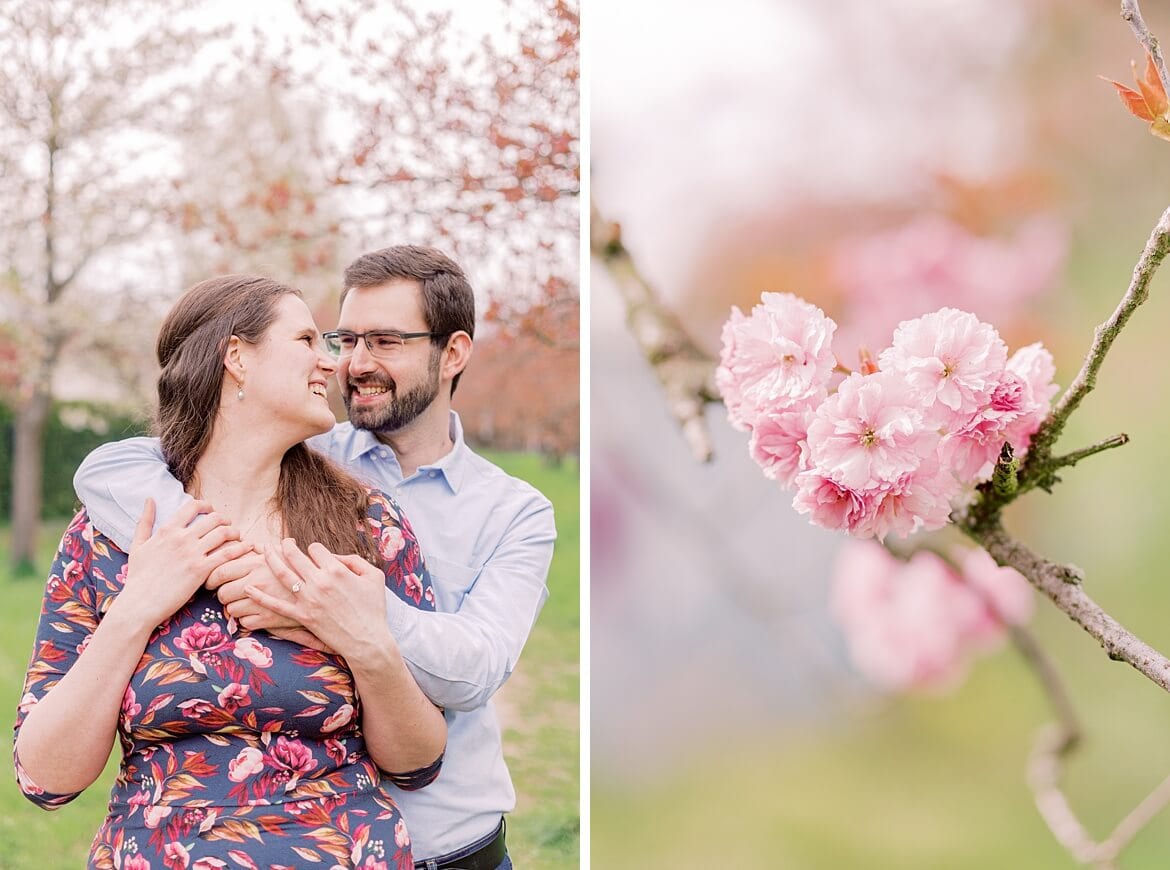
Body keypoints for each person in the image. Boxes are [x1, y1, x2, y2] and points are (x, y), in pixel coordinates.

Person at [73, 246, 558, 870]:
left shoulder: (515, 512)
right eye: (345, 337)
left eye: (385, 340)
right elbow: (113, 468)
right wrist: (229, 557)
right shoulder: (303, 439)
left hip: (446, 841)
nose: (354, 363)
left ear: (454, 353)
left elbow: (474, 671)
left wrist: (332, 608)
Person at [16, 275, 447, 868]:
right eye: (305, 339)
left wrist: (365, 643)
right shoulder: (108, 536)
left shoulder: (368, 524)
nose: (332, 363)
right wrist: (137, 607)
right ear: (236, 357)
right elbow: (44, 779)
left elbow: (419, 762)